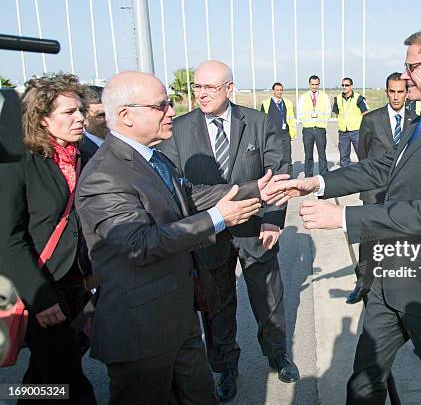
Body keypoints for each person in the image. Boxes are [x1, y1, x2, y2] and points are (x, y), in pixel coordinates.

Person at [274, 27, 421, 404]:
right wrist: (317, 183)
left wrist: (342, 220)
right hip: (388, 277)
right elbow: (380, 169)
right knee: (365, 380)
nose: (405, 76)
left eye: (412, 67)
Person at [76, 71, 286, 404]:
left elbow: (189, 195)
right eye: (160, 106)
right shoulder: (104, 176)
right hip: (142, 327)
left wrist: (254, 189)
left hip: (178, 317)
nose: (171, 111)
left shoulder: (151, 157)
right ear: (126, 116)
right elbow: (140, 243)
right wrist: (218, 219)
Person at [158, 61, 299, 402]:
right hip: (210, 234)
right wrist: (239, 196)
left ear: (229, 88)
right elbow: (181, 189)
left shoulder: (258, 121)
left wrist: (272, 219)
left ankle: (277, 353)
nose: (201, 93)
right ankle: (225, 367)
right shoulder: (178, 130)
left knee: (269, 298)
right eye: (197, 87)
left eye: (209, 87)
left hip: (256, 227)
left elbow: (278, 171)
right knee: (217, 306)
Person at [0, 73, 96, 403]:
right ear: (42, 118)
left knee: (46, 373)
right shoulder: (18, 162)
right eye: (69, 112)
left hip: (79, 282)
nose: (81, 117)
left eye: (81, 110)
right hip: (42, 285)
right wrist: (39, 298)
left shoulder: (84, 155)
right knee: (70, 380)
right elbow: (7, 238)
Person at [345, 72, 420, 304]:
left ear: (407, 93)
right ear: (386, 92)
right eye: (392, 91)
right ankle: (363, 283)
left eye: (401, 92)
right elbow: (364, 153)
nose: (396, 97)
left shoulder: (417, 120)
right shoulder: (371, 119)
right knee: (369, 241)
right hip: (375, 191)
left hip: (403, 193)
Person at [297, 75, 332, 177]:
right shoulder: (303, 97)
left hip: (320, 129)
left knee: (322, 154)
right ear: (309, 84)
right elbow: (299, 113)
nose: (314, 86)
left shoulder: (324, 96)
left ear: (319, 84)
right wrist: (307, 121)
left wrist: (323, 122)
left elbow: (328, 112)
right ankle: (308, 175)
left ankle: (324, 175)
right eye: (312, 84)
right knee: (308, 155)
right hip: (308, 129)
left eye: (316, 84)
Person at [261, 82, 297, 177]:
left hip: (285, 134)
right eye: (277, 90)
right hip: (272, 135)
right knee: (273, 158)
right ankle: (275, 179)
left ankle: (289, 178)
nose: (279, 92)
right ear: (273, 91)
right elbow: (262, 121)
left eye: (281, 90)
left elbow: (291, 118)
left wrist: (292, 133)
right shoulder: (266, 104)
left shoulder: (287, 103)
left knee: (287, 158)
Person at [332, 77, 368, 168]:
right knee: (344, 158)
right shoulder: (338, 99)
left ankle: (364, 175)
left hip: (356, 132)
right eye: (343, 85)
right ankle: (345, 178)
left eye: (347, 85)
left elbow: (366, 114)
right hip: (343, 133)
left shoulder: (358, 98)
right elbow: (336, 113)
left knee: (362, 156)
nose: (344, 87)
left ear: (351, 86)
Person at [79, 85, 108, 160]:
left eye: (112, 113)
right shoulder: (79, 155)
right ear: (83, 118)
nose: (109, 119)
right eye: (101, 115)